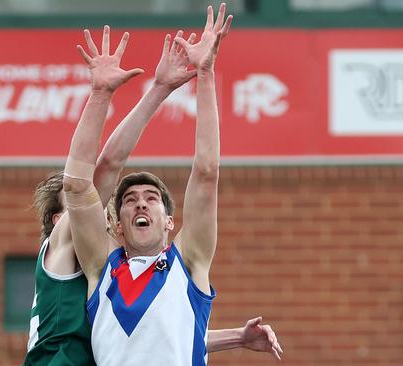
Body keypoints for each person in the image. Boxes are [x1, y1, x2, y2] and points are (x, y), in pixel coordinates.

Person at [24, 20, 282, 365]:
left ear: (169, 222)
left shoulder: (181, 264)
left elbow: (159, 331)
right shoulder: (93, 264)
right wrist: (102, 94)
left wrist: (201, 75)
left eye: (150, 198)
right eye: (125, 201)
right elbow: (90, 178)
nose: (137, 204)